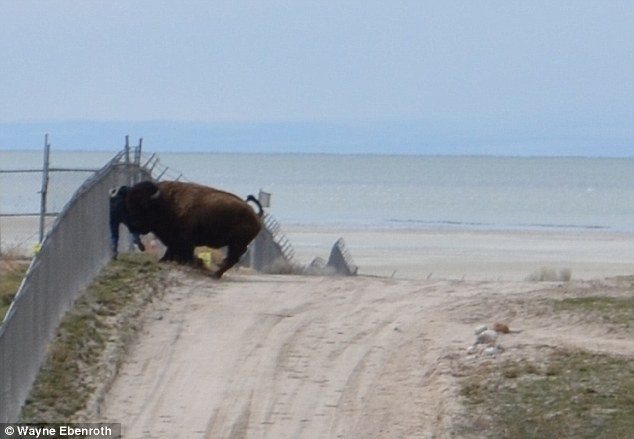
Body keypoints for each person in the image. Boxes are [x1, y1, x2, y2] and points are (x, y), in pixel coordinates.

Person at [109, 185, 145, 259]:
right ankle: (136, 238)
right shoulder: (126, 191)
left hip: (112, 214)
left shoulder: (112, 193)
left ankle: (114, 247)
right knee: (133, 226)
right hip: (124, 212)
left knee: (114, 234)